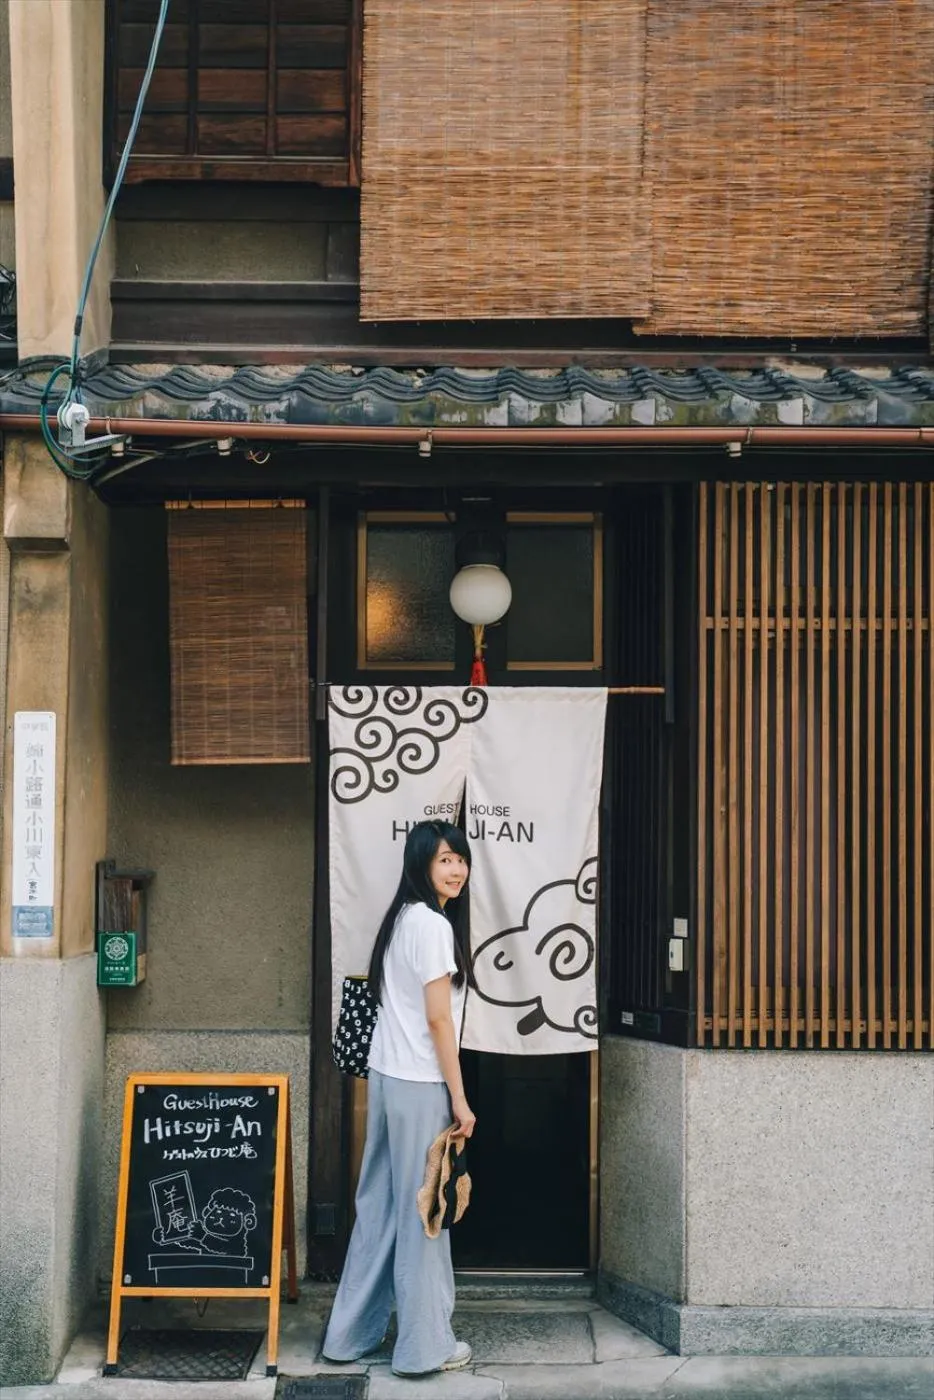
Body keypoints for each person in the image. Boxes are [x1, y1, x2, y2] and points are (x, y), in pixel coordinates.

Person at [322, 820, 477, 1377]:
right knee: (425, 1212)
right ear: (421, 866)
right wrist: (459, 1099)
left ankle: (347, 1337)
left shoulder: (400, 921)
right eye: (444, 860)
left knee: (381, 1209)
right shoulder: (432, 926)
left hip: (388, 1080)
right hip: (418, 1083)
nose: (456, 869)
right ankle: (422, 1348)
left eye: (459, 858)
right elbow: (438, 1019)